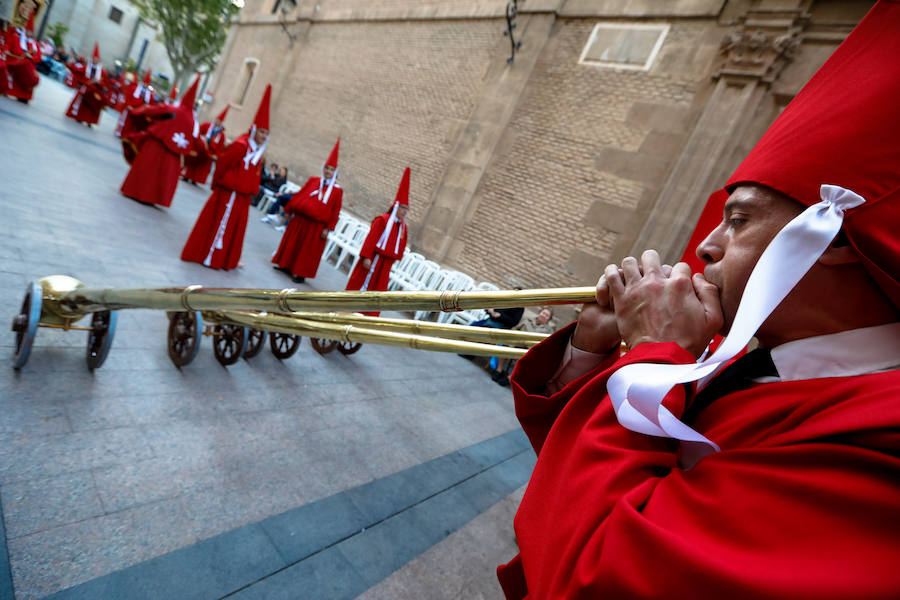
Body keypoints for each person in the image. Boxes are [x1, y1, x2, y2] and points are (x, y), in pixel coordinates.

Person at [496, 3, 900, 598]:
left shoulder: (876, 440)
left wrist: (654, 350)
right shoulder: (758, 356)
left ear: (833, 241)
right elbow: (573, 479)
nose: (706, 245)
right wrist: (592, 350)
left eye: (738, 221)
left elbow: (593, 572)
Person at [180, 85, 271, 270]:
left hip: (242, 198)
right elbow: (223, 164)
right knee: (220, 224)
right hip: (229, 194)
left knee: (234, 229)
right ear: (254, 130)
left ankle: (226, 258)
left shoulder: (258, 153)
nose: (263, 136)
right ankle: (210, 255)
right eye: (261, 131)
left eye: (266, 133)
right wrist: (218, 184)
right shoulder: (241, 146)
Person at [119, 75, 200, 207]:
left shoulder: (173, 110)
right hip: (174, 153)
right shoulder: (192, 121)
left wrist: (139, 115)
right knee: (161, 175)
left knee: (147, 168)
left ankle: (136, 191)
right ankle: (154, 198)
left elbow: (153, 111)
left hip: (156, 144)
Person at [271, 138, 343, 283]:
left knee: (307, 251)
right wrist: (288, 210)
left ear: (335, 172)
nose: (328, 171)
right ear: (324, 168)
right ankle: (285, 265)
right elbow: (301, 195)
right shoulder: (313, 181)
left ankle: (299, 273)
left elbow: (335, 211)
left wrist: (328, 228)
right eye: (327, 168)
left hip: (316, 227)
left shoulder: (337, 191)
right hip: (299, 220)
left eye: (331, 169)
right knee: (292, 243)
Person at [344, 167, 411, 315]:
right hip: (372, 260)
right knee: (362, 285)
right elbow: (371, 239)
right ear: (396, 206)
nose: (404, 211)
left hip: (385, 265)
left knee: (377, 292)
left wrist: (392, 260)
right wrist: (366, 256)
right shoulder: (383, 220)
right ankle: (350, 311)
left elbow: (400, 246)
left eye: (407, 209)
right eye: (402, 208)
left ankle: (368, 316)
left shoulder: (403, 228)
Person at [490, 306, 556, 386]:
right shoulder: (527, 320)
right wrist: (511, 336)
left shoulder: (549, 331)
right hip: (517, 342)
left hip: (531, 349)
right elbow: (515, 328)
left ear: (548, 319)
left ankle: (510, 378)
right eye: (543, 313)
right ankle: (499, 370)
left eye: (547, 315)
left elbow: (546, 346)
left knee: (527, 360)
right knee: (506, 345)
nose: (544, 316)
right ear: (539, 313)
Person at [182, 105, 229, 185]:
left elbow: (220, 147)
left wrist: (216, 155)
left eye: (219, 121)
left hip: (209, 153)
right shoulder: (206, 125)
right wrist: (201, 139)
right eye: (216, 120)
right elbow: (198, 132)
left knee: (201, 167)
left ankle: (195, 179)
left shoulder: (221, 135)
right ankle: (187, 176)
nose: (217, 122)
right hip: (200, 148)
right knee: (193, 163)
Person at [3, 9, 41, 104]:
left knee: (32, 77)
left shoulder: (35, 44)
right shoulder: (16, 37)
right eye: (28, 31)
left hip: (28, 65)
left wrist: (31, 57)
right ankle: (6, 90)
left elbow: (38, 57)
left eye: (31, 32)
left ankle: (23, 97)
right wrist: (7, 51)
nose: (30, 33)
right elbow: (7, 46)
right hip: (14, 61)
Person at [64, 43, 106, 127]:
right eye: (94, 59)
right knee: (82, 104)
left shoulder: (102, 72)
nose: (95, 60)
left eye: (97, 59)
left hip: (95, 91)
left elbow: (105, 83)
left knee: (94, 105)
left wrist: (99, 82)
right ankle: (79, 117)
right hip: (86, 89)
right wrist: (69, 64)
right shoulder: (86, 67)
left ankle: (90, 121)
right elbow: (76, 69)